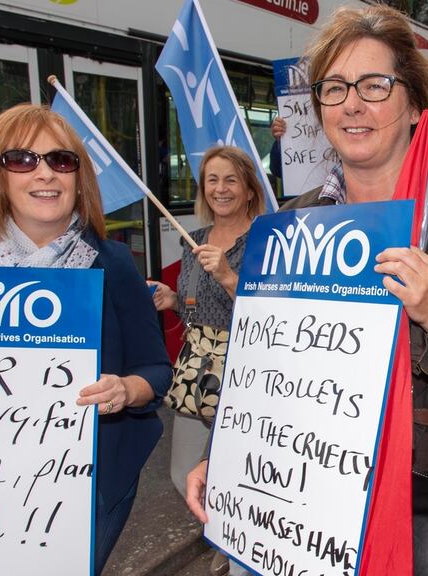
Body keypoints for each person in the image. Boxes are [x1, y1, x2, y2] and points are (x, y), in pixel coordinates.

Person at [183, 7, 428, 574]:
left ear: (412, 104)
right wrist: (224, 453)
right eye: (334, 88)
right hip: (290, 481)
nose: (352, 104)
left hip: (407, 493)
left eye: (374, 85)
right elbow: (257, 359)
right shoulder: (291, 221)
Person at [0, 104, 171, 575]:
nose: (45, 172)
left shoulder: (113, 264)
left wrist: (126, 390)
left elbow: (156, 370)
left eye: (61, 160)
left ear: (78, 178)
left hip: (92, 484)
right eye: (22, 159)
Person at [145, 145, 264, 576]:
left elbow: (275, 315)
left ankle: (241, 548)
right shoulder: (190, 238)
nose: (220, 188)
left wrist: (231, 277)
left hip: (247, 376)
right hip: (198, 374)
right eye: (212, 180)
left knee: (241, 476)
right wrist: (173, 298)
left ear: (249, 189)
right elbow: (196, 307)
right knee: (183, 473)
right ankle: (225, 531)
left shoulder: (267, 240)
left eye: (230, 179)